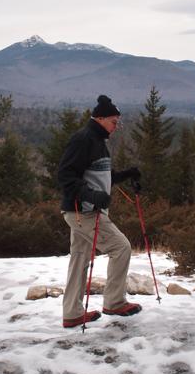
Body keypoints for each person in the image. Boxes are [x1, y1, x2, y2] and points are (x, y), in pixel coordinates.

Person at [58, 95, 142, 328]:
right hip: (84, 211)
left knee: (80, 259)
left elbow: (101, 178)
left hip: (85, 211)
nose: (116, 126)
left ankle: (72, 313)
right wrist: (91, 196)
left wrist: (127, 174)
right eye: (114, 121)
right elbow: (65, 175)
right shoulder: (84, 139)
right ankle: (114, 302)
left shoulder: (98, 142)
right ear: (101, 118)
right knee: (121, 246)